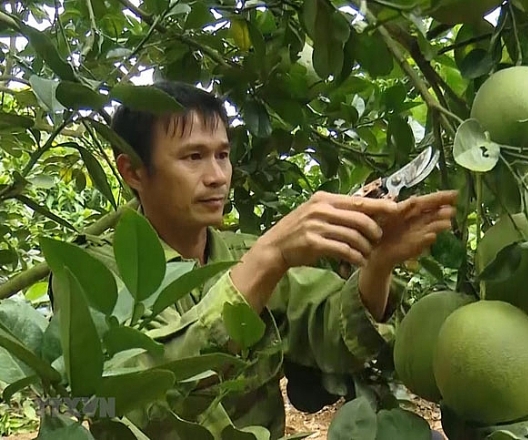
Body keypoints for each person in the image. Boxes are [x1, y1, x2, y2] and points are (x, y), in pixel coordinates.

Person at [47, 81, 457, 438]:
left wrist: (379, 263)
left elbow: (334, 336)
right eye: (193, 157)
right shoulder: (90, 271)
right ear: (134, 172)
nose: (217, 176)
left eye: (222, 155)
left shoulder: (242, 255)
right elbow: (135, 403)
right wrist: (270, 255)